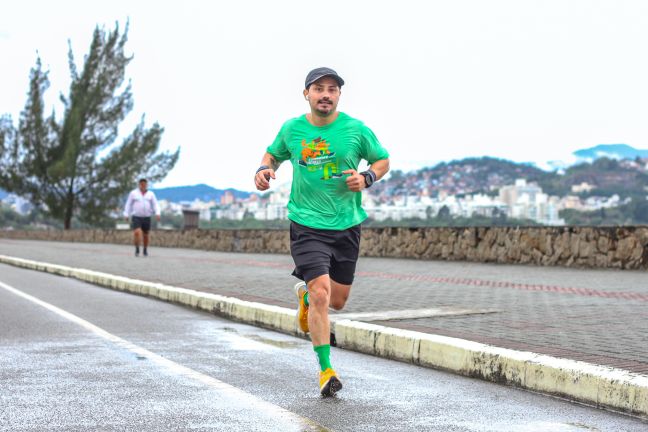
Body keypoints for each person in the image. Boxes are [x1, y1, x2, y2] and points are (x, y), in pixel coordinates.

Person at [254, 67, 390, 397]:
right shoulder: (293, 129)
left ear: (339, 95)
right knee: (321, 292)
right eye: (318, 89)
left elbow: (383, 160)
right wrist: (264, 168)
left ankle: (303, 298)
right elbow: (273, 153)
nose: (325, 94)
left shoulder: (356, 130)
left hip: (346, 224)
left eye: (332, 89)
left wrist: (368, 177)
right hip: (306, 224)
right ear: (307, 94)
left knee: (338, 302)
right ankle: (326, 369)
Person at [123, 178, 161, 257]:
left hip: (146, 217)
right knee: (137, 232)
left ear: (146, 185)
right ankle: (137, 248)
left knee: (146, 235)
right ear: (139, 184)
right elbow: (128, 204)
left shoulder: (151, 194)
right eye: (142, 184)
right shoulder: (133, 193)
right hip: (136, 216)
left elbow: (155, 204)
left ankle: (145, 249)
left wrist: (157, 213)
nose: (143, 186)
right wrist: (126, 214)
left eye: (145, 184)